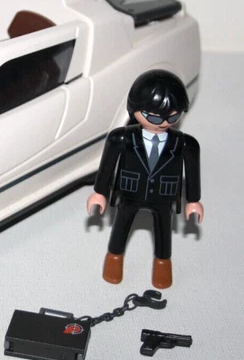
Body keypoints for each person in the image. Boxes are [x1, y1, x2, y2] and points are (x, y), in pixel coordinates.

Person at [87, 70, 203, 288]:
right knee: (121, 227)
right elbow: (107, 166)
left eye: (172, 117)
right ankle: (114, 258)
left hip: (164, 196)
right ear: (134, 110)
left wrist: (193, 200)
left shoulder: (184, 144)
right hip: (130, 192)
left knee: (163, 232)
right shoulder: (122, 138)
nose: (162, 123)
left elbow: (192, 172)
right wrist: (99, 192)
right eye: (154, 117)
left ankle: (162, 264)